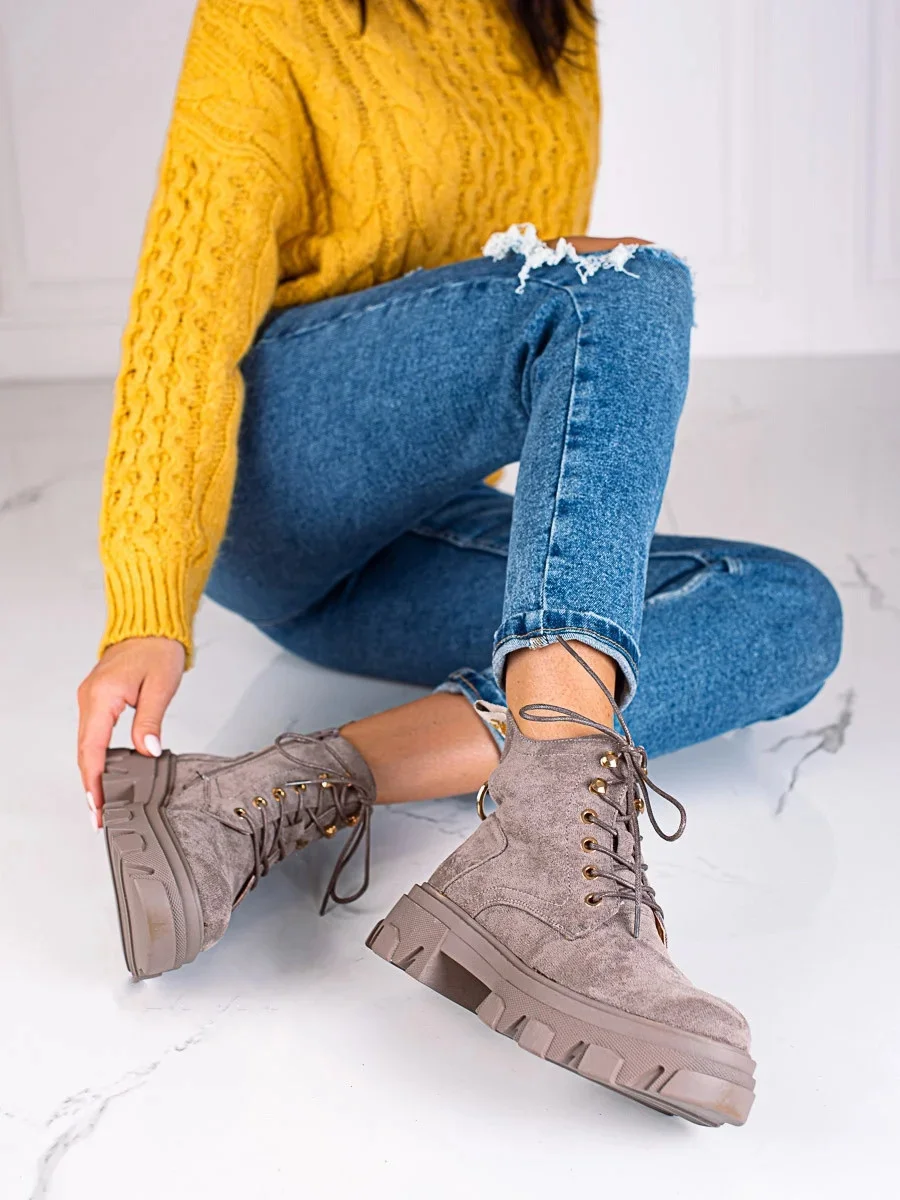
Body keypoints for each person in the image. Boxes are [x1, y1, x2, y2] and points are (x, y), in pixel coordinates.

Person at [76, 0, 842, 1127]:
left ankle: (255, 800)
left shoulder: (554, 28)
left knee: (787, 612)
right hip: (276, 479)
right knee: (625, 280)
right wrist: (146, 601)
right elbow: (184, 321)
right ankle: (549, 862)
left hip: (413, 524)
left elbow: (504, 320)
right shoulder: (268, 17)